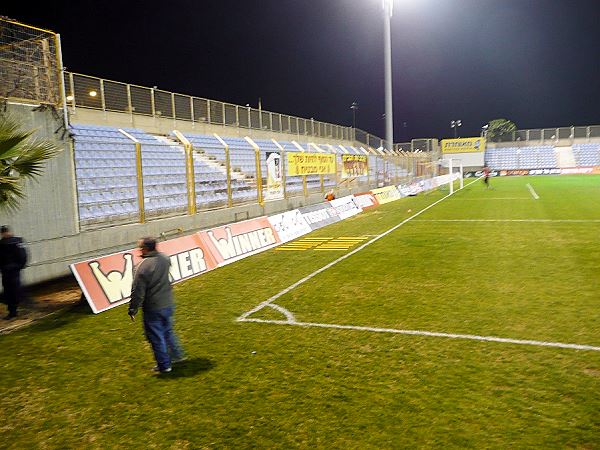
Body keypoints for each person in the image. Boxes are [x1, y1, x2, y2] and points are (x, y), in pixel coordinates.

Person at [128, 237, 186, 373]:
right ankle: (177, 356)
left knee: (156, 337)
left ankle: (164, 366)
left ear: (147, 248)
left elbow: (137, 291)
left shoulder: (142, 267)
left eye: (141, 247)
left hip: (153, 307)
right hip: (168, 303)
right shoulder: (165, 258)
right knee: (168, 331)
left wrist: (133, 309)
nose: (139, 250)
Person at [0, 225, 28, 320]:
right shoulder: (3, 243)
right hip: (6, 271)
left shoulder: (17, 241)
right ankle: (12, 311)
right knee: (8, 291)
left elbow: (23, 255)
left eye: (6, 232)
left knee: (15, 289)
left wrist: (19, 266)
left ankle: (15, 309)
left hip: (14, 270)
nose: (5, 234)